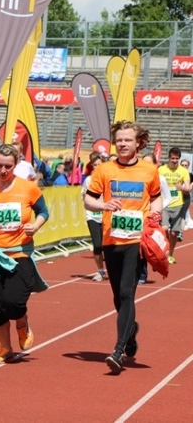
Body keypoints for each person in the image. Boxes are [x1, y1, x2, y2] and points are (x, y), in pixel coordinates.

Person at [84, 121, 162, 374]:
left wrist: (156, 214)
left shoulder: (149, 170)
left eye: (127, 140)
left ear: (138, 142)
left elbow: (156, 197)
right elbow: (88, 199)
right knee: (118, 295)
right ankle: (131, 330)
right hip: (111, 239)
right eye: (119, 140)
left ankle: (118, 351)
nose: (122, 144)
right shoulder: (105, 169)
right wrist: (103, 205)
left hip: (136, 241)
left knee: (127, 293)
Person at [0, 144, 48, 364]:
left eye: (8, 166)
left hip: (19, 254)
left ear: (16, 165)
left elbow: (43, 211)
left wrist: (35, 226)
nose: (3, 170)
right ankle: (5, 348)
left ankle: (22, 322)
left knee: (13, 302)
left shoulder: (28, 188)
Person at [140, 153, 172, 284]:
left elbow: (168, 197)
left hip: (153, 216)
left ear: (155, 164)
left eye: (149, 163)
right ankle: (142, 274)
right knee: (141, 243)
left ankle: (156, 259)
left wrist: (156, 209)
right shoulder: (138, 177)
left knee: (150, 242)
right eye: (144, 163)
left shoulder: (161, 179)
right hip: (140, 214)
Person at [157, 147, 191, 264]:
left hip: (177, 205)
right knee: (164, 230)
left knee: (174, 233)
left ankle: (170, 254)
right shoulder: (161, 170)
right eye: (173, 158)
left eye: (177, 158)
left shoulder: (183, 171)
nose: (175, 161)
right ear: (169, 158)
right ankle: (163, 252)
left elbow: (188, 188)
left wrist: (181, 188)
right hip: (164, 204)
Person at [80, 152, 107, 281]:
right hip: (92, 215)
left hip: (107, 215)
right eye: (95, 165)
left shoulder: (108, 179)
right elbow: (84, 197)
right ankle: (100, 271)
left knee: (108, 246)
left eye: (99, 164)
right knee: (97, 245)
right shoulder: (88, 180)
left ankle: (114, 269)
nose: (97, 167)